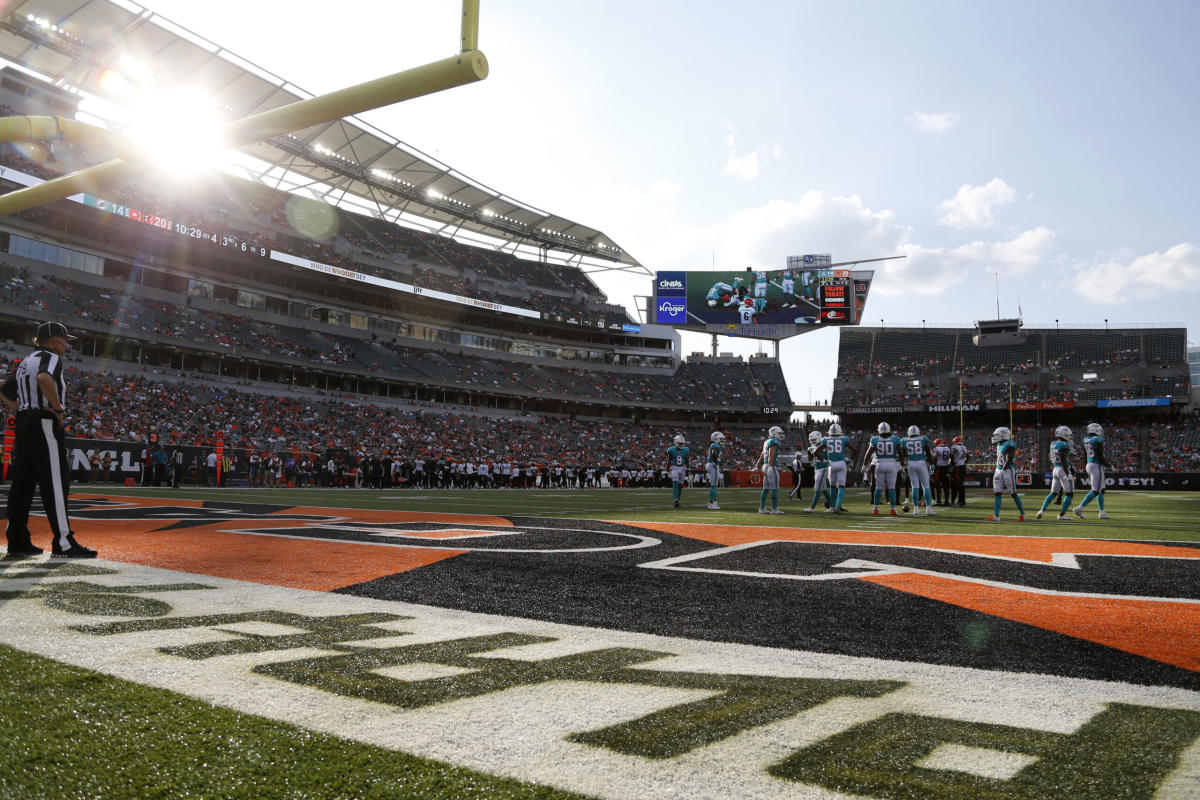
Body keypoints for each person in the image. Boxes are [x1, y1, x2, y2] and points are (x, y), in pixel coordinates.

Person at [1, 322, 96, 558]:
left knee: (22, 484)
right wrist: (58, 408)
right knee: (56, 481)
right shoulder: (49, 357)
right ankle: (64, 542)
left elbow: (5, 390)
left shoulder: (26, 361)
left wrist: (18, 409)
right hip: (43, 421)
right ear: (54, 340)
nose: (66, 345)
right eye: (64, 340)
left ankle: (18, 540)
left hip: (25, 422)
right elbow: (44, 378)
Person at [1037, 425, 1077, 520]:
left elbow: (1051, 457)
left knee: (1053, 493)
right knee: (1070, 494)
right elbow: (1063, 460)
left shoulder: (1053, 444)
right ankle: (1061, 515)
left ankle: (1041, 510)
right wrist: (1068, 474)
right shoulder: (1064, 445)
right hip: (1063, 470)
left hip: (1055, 469)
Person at [988, 426, 1026, 522]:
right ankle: (996, 516)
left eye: (997, 435)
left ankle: (1022, 514)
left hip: (1007, 471)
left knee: (1013, 493)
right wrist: (999, 470)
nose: (995, 437)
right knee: (997, 493)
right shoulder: (999, 445)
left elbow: (1009, 459)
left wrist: (1002, 470)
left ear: (1003, 435)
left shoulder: (1010, 444)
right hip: (999, 470)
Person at [1074, 422, 1112, 519]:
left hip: (1089, 463)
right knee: (1095, 490)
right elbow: (1099, 454)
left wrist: (1086, 464)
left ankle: (1102, 512)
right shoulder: (1097, 439)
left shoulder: (1086, 439)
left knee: (1101, 489)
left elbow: (1084, 454)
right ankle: (1080, 508)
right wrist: (1107, 464)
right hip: (1096, 465)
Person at [865, 421, 903, 516]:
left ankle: (876, 508)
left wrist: (864, 465)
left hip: (879, 464)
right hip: (891, 464)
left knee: (878, 487)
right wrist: (903, 465)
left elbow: (868, 454)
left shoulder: (875, 439)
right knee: (891, 487)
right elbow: (901, 454)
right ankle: (893, 509)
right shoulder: (895, 439)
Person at [902, 425, 935, 516]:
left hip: (911, 464)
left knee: (914, 487)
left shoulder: (904, 440)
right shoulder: (923, 438)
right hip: (921, 463)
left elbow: (903, 454)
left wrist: (903, 466)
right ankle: (928, 509)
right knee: (926, 486)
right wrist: (932, 464)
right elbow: (928, 452)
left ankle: (916, 509)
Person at [823, 422, 853, 513]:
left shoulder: (826, 440)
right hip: (841, 463)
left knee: (832, 486)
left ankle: (832, 506)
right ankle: (837, 506)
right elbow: (855, 450)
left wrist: (825, 459)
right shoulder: (844, 439)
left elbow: (816, 451)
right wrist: (850, 459)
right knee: (841, 486)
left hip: (832, 464)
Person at [755, 425, 784, 514]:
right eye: (779, 433)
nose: (781, 435)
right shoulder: (774, 441)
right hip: (770, 466)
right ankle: (774, 509)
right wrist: (771, 465)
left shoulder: (766, 442)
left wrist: (757, 466)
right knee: (774, 488)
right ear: (773, 433)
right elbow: (771, 453)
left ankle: (762, 508)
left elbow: (762, 455)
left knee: (766, 488)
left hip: (765, 465)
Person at [802, 430, 833, 513]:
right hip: (817, 469)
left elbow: (829, 455)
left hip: (823, 468)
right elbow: (810, 459)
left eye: (814, 440)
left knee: (817, 489)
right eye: (811, 440)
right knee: (823, 489)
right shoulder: (812, 447)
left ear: (819, 438)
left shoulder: (824, 445)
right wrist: (809, 452)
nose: (812, 441)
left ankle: (812, 508)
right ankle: (833, 506)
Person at [666, 434, 689, 508]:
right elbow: (669, 460)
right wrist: (667, 468)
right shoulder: (671, 450)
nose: (681, 445)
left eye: (682, 443)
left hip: (683, 468)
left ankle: (678, 501)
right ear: (675, 442)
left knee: (680, 485)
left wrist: (688, 468)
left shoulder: (686, 449)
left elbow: (687, 459)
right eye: (680, 443)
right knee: (675, 484)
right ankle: (676, 500)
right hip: (675, 468)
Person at [705, 431, 724, 510]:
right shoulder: (715, 445)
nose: (722, 441)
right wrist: (716, 463)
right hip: (712, 465)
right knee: (714, 486)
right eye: (721, 439)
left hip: (709, 464)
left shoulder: (713, 444)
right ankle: (712, 503)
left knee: (713, 485)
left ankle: (711, 502)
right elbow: (714, 454)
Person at [950, 435, 968, 506]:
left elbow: (952, 453)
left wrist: (953, 461)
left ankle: (961, 502)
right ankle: (961, 501)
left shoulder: (954, 447)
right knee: (960, 485)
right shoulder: (964, 447)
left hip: (957, 467)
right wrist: (964, 463)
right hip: (962, 466)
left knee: (956, 485)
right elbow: (968, 456)